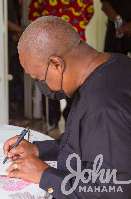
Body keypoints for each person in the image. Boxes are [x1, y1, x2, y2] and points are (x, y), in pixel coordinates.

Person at [3, 16, 131, 198]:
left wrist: (44, 175)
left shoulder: (103, 107)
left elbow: (114, 191)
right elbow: (85, 140)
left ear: (56, 64)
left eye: (37, 78)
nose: (40, 85)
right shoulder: (115, 64)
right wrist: (38, 150)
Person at [28, 0, 94, 128]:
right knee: (49, 79)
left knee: (74, 80)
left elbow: (89, 12)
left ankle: (70, 118)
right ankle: (53, 119)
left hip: (74, 42)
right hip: (50, 43)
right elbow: (33, 13)